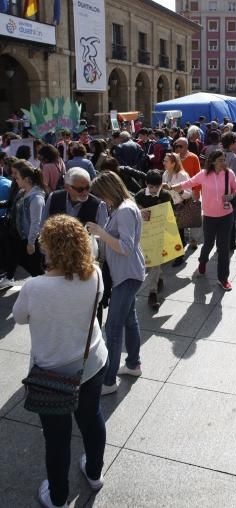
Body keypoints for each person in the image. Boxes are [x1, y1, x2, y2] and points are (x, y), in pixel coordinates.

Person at [12, 214, 108, 508]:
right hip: (90, 364)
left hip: (51, 372)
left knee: (57, 438)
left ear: (49, 248)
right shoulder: (95, 274)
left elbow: (19, 317)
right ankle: (94, 473)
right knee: (91, 420)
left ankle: (57, 497)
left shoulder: (34, 287)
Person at [88, 171, 145, 395]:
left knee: (113, 327)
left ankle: (108, 381)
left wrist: (101, 232)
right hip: (127, 274)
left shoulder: (125, 210)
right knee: (129, 320)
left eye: (101, 195)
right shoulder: (124, 207)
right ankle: (133, 364)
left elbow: (125, 246)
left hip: (128, 275)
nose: (102, 200)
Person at [170, 150, 236, 291]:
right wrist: (171, 187)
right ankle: (202, 262)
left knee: (224, 247)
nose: (223, 162)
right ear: (213, 161)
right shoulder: (204, 174)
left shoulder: (229, 174)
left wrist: (231, 196)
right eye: (220, 160)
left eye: (224, 159)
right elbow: (188, 183)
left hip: (226, 216)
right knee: (208, 243)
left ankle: (223, 279)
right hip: (209, 216)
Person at [135, 170, 173, 311]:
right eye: (151, 187)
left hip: (159, 233)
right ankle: (159, 278)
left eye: (157, 187)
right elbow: (133, 212)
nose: (154, 190)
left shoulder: (165, 195)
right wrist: (140, 211)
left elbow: (171, 213)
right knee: (150, 263)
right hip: (144, 234)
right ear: (146, 184)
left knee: (155, 262)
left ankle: (152, 292)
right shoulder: (139, 195)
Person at [41, 167, 108, 228]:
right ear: (67, 187)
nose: (85, 193)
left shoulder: (99, 205)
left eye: (87, 188)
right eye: (80, 189)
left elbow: (102, 237)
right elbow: (43, 225)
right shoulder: (54, 198)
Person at [162, 152, 191, 266]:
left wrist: (179, 190)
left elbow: (188, 194)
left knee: (178, 232)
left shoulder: (182, 175)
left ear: (173, 163)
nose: (163, 162)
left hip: (179, 206)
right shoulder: (165, 173)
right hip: (168, 205)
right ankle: (174, 251)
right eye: (164, 160)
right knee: (171, 231)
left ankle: (179, 256)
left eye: (166, 161)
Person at [172, 137, 202, 250]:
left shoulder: (193, 157)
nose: (178, 148)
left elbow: (197, 176)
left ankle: (193, 239)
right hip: (177, 193)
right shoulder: (173, 158)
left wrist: (196, 192)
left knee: (193, 215)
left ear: (186, 146)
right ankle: (182, 238)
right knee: (180, 216)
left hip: (191, 192)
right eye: (176, 146)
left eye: (180, 146)